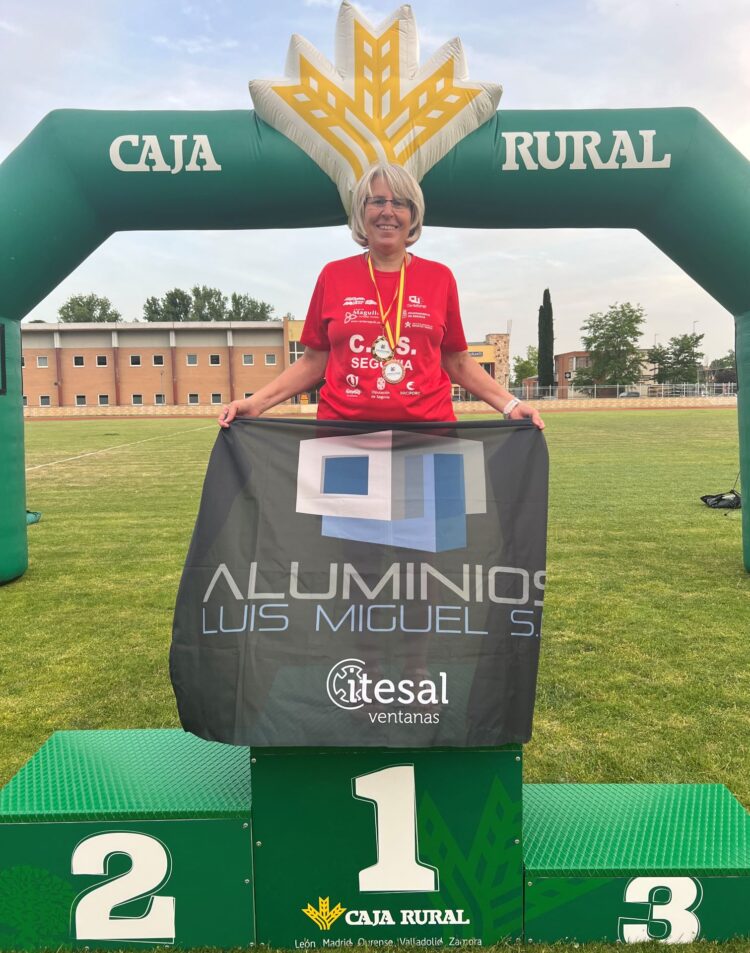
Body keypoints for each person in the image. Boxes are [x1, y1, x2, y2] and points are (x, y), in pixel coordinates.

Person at [219, 162, 544, 429]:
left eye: (399, 203)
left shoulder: (439, 277)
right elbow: (312, 362)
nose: (387, 211)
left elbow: (457, 360)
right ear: (361, 212)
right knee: (346, 512)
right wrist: (254, 404)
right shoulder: (333, 275)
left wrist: (510, 403)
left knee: (432, 511)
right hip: (344, 436)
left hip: (429, 435)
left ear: (413, 214)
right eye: (377, 201)